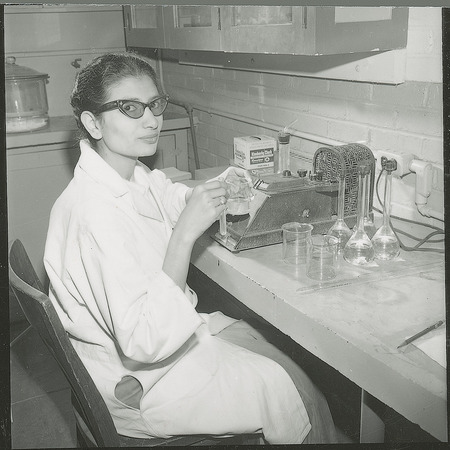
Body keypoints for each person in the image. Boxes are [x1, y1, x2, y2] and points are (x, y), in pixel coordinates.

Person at [44, 51, 337, 444]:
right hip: (143, 384)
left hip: (152, 347)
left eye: (154, 104)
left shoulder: (126, 172)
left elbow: (165, 194)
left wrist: (211, 193)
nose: (150, 120)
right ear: (92, 122)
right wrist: (184, 233)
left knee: (271, 348)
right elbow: (145, 342)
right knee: (292, 389)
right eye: (129, 108)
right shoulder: (93, 214)